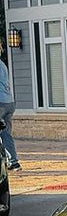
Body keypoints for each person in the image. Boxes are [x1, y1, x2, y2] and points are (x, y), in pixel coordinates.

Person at [0, 43, 21, 171]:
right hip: (9, 101)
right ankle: (14, 162)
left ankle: (4, 162)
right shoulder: (2, 64)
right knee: (6, 133)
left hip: (0, 103)